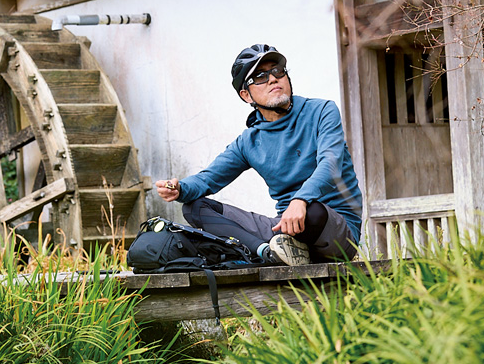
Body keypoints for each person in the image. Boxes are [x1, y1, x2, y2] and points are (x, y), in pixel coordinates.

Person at [155, 44, 363, 264]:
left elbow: (330, 165)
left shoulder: (322, 111)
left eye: (277, 71)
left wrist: (301, 199)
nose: (273, 79)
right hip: (284, 229)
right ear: (246, 95)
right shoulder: (249, 141)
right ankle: (267, 252)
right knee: (195, 208)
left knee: (314, 212)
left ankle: (279, 249)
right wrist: (180, 188)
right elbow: (208, 179)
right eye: (260, 77)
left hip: (332, 229)